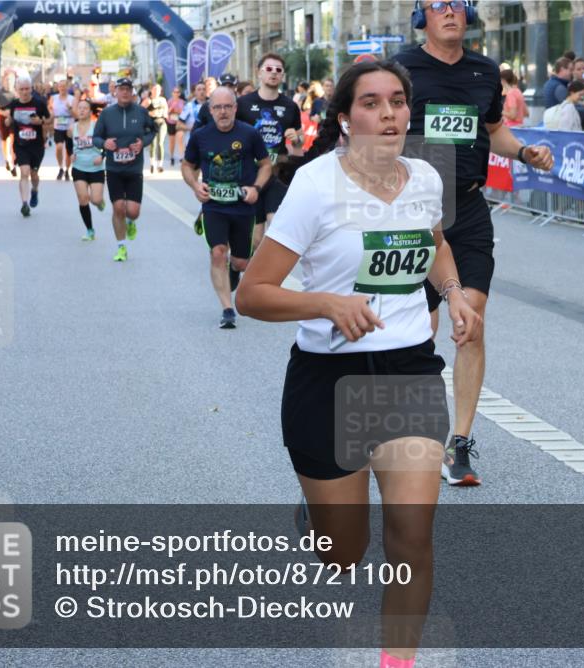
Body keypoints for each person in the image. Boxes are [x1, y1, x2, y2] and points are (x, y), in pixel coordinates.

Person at [235, 59, 482, 668]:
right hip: (329, 380)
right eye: (372, 102)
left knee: (412, 535)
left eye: (397, 101)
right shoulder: (316, 186)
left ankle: (396, 662)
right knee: (342, 552)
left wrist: (452, 295)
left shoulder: (424, 176)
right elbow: (252, 294)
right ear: (345, 119)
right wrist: (324, 303)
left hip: (408, 372)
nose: (389, 113)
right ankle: (320, 517)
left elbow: (435, 244)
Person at [394, 0, 553, 486]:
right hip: (412, 212)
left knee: (471, 323)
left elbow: (492, 130)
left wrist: (523, 151)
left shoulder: (485, 71)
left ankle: (458, 445)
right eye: (438, 5)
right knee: (413, 330)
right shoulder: (402, 67)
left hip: (468, 209)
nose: (450, 12)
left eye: (459, 5)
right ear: (423, 17)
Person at [182, 87, 272, 328]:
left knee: (241, 262)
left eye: (227, 107)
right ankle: (227, 309)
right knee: (218, 252)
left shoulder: (249, 134)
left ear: (235, 108)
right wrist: (195, 185)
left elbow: (265, 165)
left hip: (242, 207)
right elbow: (187, 166)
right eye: (218, 107)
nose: (223, 112)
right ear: (210, 110)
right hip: (214, 207)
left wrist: (256, 188)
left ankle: (235, 269)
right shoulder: (201, 136)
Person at [237, 54, 303, 255]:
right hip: (251, 176)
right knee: (255, 240)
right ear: (259, 73)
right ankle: (242, 269)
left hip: (277, 175)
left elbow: (298, 145)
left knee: (275, 228)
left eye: (278, 70)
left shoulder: (290, 106)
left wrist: (297, 139)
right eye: (269, 69)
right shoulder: (244, 103)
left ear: (283, 75)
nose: (273, 73)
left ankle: (265, 279)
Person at [92, 78, 156, 262]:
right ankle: (121, 247)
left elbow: (153, 131)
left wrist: (142, 142)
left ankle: (130, 222)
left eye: (128, 89)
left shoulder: (141, 112)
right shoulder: (107, 114)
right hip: (114, 169)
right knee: (118, 207)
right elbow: (96, 137)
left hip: (134, 169)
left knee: (133, 211)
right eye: (122, 89)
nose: (125, 92)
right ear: (116, 92)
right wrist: (105, 143)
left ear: (132, 92)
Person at [3, 76, 50, 217]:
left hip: (36, 145)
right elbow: (7, 123)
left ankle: (34, 190)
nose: (24, 92)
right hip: (20, 145)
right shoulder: (13, 104)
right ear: (17, 90)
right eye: (21, 89)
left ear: (31, 89)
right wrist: (8, 119)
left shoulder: (39, 103)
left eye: (27, 89)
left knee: (34, 174)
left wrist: (40, 121)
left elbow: (49, 120)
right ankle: (24, 204)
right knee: (24, 172)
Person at [70, 99, 106, 242]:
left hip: (96, 167)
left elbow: (107, 142)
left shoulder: (96, 126)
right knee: (83, 198)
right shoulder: (72, 128)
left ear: (90, 111)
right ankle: (90, 230)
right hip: (79, 166)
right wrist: (70, 153)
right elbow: (68, 142)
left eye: (85, 108)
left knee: (95, 199)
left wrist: (102, 156)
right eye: (80, 108)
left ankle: (99, 202)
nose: (82, 110)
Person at [49, 78, 76, 180]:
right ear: (58, 87)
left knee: (69, 150)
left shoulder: (71, 99)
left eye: (64, 86)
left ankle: (67, 170)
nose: (62, 88)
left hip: (69, 126)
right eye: (60, 86)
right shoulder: (53, 98)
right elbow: (50, 111)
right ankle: (60, 167)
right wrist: (50, 119)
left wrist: (70, 108)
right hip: (58, 126)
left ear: (67, 87)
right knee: (59, 147)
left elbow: (75, 114)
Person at [0, 73, 17, 175]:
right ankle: (7, 159)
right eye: (7, 80)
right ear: (4, 81)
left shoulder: (16, 93)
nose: (9, 82)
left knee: (13, 141)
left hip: (14, 119)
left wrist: (11, 114)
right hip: (2, 118)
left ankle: (13, 163)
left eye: (11, 80)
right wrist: (2, 113)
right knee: (4, 141)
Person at [143, 83, 169, 173]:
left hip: (161, 122)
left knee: (160, 143)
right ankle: (152, 164)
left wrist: (165, 114)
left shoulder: (163, 100)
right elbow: (140, 110)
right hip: (151, 123)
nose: (156, 91)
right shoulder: (148, 100)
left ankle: (160, 165)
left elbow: (166, 110)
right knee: (153, 144)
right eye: (155, 89)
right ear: (151, 90)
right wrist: (148, 113)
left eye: (158, 90)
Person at [166, 86, 186, 166]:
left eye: (178, 92)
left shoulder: (182, 102)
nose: (176, 93)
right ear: (172, 93)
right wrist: (172, 107)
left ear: (179, 93)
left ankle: (182, 157)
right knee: (172, 141)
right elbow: (166, 112)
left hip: (179, 123)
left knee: (180, 139)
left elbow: (183, 112)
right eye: (174, 92)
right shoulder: (169, 101)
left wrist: (178, 111)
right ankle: (171, 157)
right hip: (171, 122)